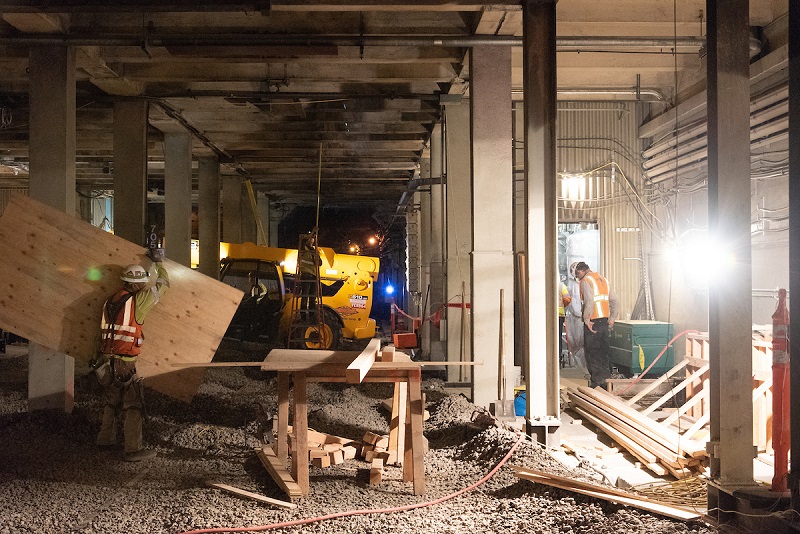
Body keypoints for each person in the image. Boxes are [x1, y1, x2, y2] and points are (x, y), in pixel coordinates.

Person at [94, 248, 169, 461]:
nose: (145, 286)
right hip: (125, 364)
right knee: (133, 405)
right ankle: (133, 449)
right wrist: (160, 264)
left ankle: (105, 439)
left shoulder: (109, 302)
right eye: (142, 283)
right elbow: (163, 287)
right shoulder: (137, 302)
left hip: (107, 362)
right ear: (134, 284)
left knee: (111, 402)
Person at [574, 261, 618, 390]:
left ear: (581, 271)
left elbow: (589, 302)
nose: (578, 278)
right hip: (604, 322)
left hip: (593, 322)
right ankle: (606, 382)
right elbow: (615, 301)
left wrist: (587, 320)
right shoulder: (604, 280)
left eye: (577, 275)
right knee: (603, 352)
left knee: (592, 353)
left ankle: (597, 384)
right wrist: (612, 320)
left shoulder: (586, 281)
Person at [557, 279, 572, 367]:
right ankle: (558, 356)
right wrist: (563, 305)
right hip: (559, 314)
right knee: (558, 337)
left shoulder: (543, 284)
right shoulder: (561, 286)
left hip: (546, 315)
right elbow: (567, 299)